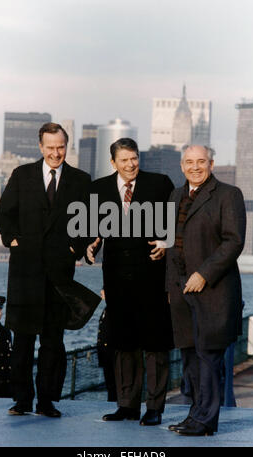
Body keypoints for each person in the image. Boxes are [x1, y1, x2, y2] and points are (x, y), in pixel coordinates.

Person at [0, 122, 91, 417]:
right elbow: (1, 215)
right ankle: (22, 400)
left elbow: (89, 221)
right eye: (50, 147)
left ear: (66, 146)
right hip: (24, 273)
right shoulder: (22, 176)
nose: (55, 153)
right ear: (40, 146)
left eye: (60, 147)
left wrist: (77, 245)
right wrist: (11, 239)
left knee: (53, 341)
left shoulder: (80, 180)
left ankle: (47, 401)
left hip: (59, 274)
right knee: (22, 340)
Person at [87, 137, 174, 426]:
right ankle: (126, 405)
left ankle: (155, 406)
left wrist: (166, 241)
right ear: (113, 162)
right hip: (116, 278)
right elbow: (92, 229)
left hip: (152, 276)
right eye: (124, 160)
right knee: (123, 343)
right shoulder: (98, 189)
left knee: (155, 344)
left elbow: (175, 223)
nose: (131, 164)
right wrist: (90, 245)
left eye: (134, 158)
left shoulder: (160, 184)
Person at [165, 144, 246, 436]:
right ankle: (195, 414)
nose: (195, 167)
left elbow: (233, 241)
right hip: (181, 292)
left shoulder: (228, 194)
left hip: (213, 292)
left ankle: (206, 421)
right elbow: (173, 244)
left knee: (208, 358)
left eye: (201, 161)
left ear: (212, 163)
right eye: (189, 162)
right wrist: (170, 289)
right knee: (189, 357)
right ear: (181, 165)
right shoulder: (176, 195)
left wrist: (203, 273)